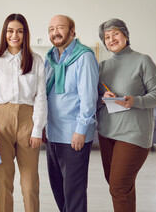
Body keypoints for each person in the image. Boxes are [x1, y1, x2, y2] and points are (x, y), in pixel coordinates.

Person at [97, 18, 156, 212]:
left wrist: (134, 101)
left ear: (125, 35)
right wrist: (102, 98)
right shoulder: (102, 67)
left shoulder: (143, 60)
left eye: (115, 33)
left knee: (118, 186)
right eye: (106, 37)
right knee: (120, 186)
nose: (111, 39)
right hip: (107, 134)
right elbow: (93, 100)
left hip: (133, 136)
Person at [0, 13, 47, 212]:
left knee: (29, 185)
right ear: (5, 33)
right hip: (1, 122)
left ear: (25, 34)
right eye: (10, 31)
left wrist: (37, 130)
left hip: (28, 120)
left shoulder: (35, 60)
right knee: (3, 182)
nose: (14, 35)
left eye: (19, 31)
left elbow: (41, 96)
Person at [44, 15, 98, 212]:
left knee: (73, 193)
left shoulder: (84, 57)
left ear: (72, 31)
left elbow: (89, 98)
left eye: (60, 28)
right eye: (51, 29)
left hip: (74, 134)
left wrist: (81, 130)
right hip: (53, 133)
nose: (55, 32)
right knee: (59, 190)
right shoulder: (50, 58)